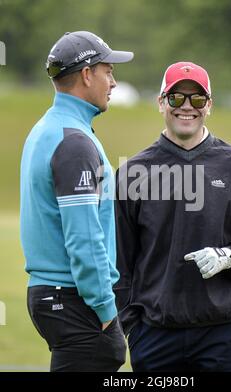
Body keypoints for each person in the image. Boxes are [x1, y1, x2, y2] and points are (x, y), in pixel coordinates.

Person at [115, 61, 231, 372]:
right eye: (176, 98)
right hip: (153, 335)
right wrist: (130, 327)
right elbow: (120, 261)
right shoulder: (133, 173)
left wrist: (230, 255)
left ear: (210, 105)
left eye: (197, 99)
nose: (187, 107)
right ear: (161, 102)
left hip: (221, 334)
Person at [20, 31, 133, 372]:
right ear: (87, 74)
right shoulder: (74, 142)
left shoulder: (47, 128)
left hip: (52, 295)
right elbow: (84, 238)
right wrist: (105, 309)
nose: (113, 81)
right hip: (74, 298)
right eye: (108, 70)